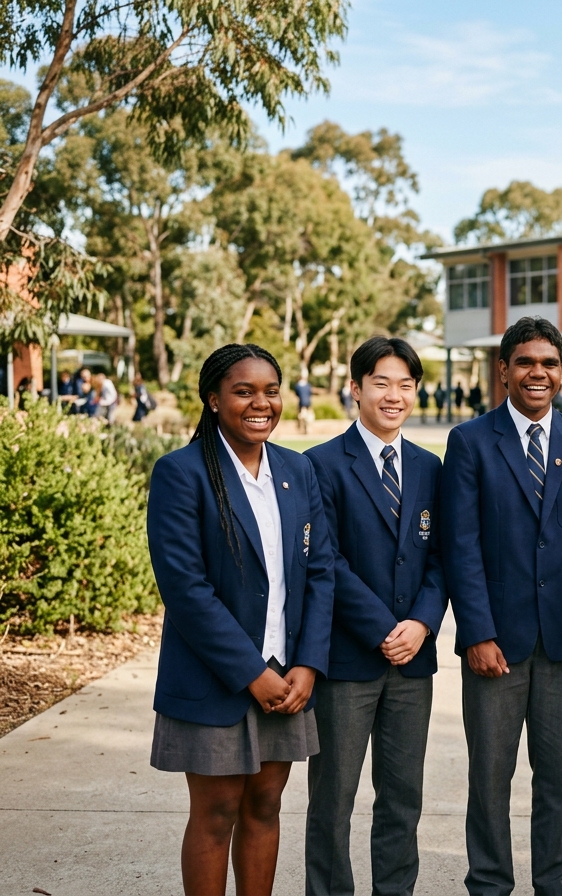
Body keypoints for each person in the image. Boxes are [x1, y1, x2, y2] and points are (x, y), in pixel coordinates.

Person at [145, 343, 335, 896]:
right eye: (243, 391)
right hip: (216, 677)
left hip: (289, 673)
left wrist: (308, 665)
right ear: (212, 400)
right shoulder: (181, 473)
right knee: (215, 813)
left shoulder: (298, 471)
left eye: (271, 391)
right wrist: (253, 674)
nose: (262, 403)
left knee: (266, 804)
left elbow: (320, 572)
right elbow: (185, 589)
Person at [441, 316, 562, 896]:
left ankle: (554, 881)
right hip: (495, 643)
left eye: (549, 363)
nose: (538, 372)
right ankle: (488, 882)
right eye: (526, 362)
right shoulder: (469, 440)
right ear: (504, 370)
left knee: (556, 775)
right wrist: (476, 633)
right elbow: (459, 545)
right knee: (490, 776)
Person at [304, 336, 447, 896]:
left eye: (405, 384)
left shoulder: (428, 466)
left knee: (402, 796)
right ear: (356, 388)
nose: (394, 395)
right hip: (347, 658)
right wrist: (384, 628)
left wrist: (422, 623)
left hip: (414, 661)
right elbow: (326, 560)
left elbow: (443, 557)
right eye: (381, 383)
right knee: (333, 798)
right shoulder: (320, 464)